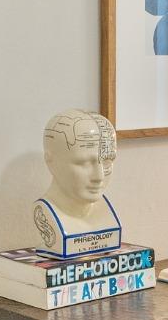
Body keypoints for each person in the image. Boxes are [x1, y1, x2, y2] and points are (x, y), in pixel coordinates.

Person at [35, 109, 121, 257]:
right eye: (84, 163)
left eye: (107, 162)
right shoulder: (45, 214)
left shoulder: (106, 212)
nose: (99, 176)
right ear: (50, 161)